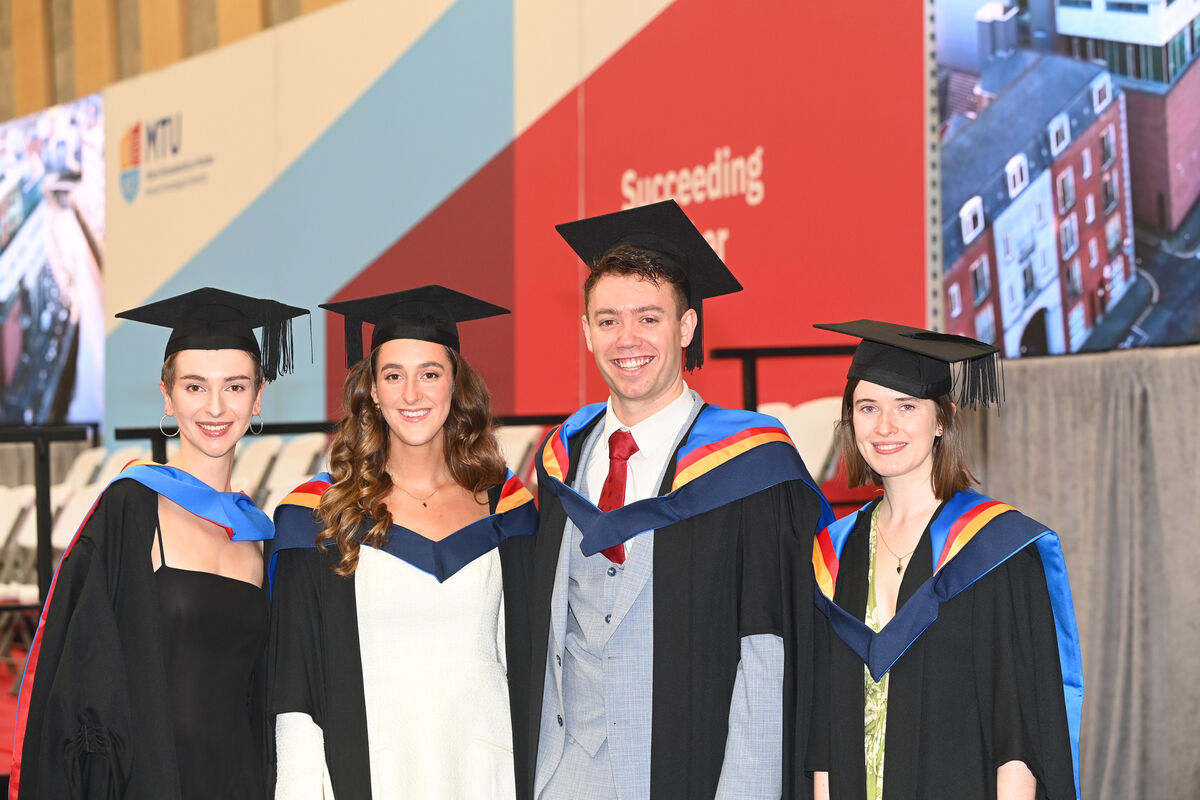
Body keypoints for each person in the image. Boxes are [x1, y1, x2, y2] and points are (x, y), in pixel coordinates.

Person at [515, 200, 833, 800]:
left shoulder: (749, 467)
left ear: (686, 328)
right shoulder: (562, 458)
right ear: (585, 331)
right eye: (607, 320)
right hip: (561, 775)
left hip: (690, 774)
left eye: (648, 318)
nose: (626, 339)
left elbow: (765, 652)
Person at [10, 287, 307, 799]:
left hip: (242, 783)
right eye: (195, 387)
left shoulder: (261, 535)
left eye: (235, 386)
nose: (215, 407)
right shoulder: (131, 509)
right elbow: (83, 677)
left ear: (258, 396)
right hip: (151, 782)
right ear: (167, 396)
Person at [267, 285, 537, 799]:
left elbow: (526, 668)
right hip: (374, 772)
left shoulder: (508, 511)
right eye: (394, 375)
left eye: (430, 374)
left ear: (456, 385)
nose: (412, 395)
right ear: (372, 390)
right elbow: (296, 691)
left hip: (486, 773)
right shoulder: (319, 519)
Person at [808, 320, 1082, 800]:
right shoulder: (833, 553)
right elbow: (823, 725)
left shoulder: (996, 550)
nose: (885, 426)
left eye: (906, 406)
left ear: (941, 419)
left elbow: (1016, 728)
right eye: (868, 407)